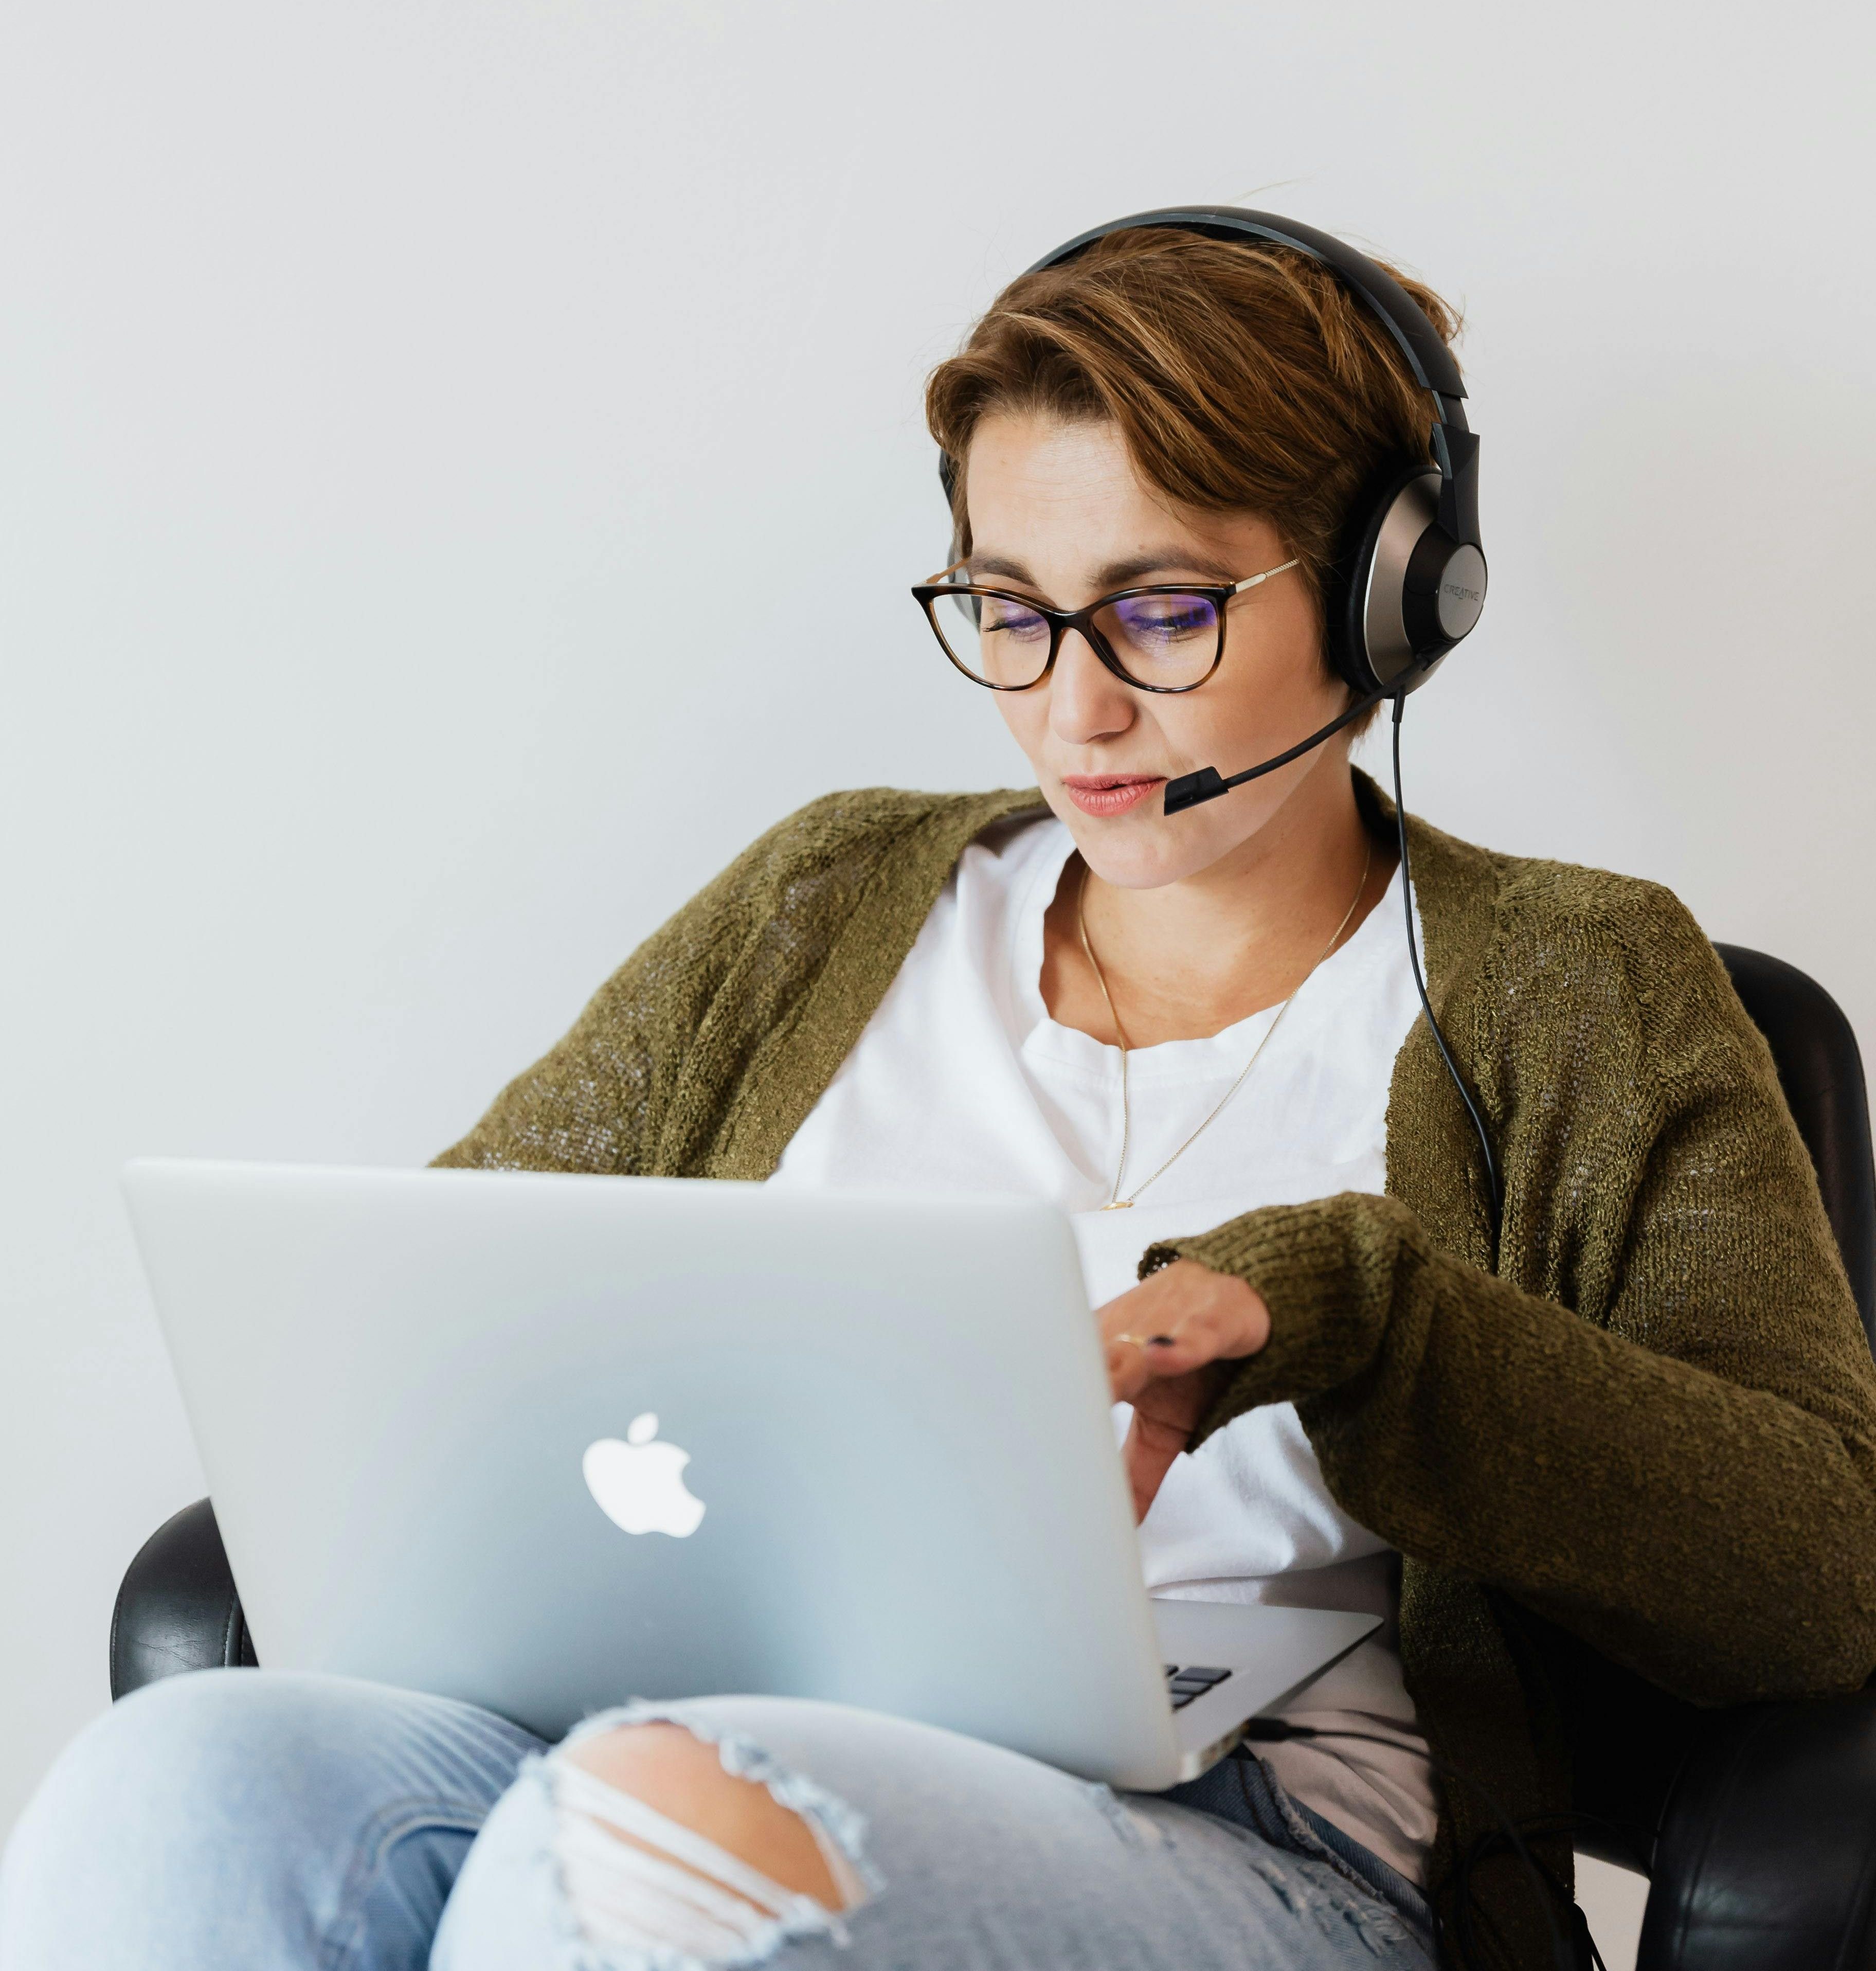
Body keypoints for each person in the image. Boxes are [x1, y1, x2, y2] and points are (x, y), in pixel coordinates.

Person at [6, 221, 1875, 1971]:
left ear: (1389, 599)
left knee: (648, 1839)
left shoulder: (1580, 982)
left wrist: (1361, 1321)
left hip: (1256, 1832)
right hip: (676, 1729)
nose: (1073, 710)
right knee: (179, 1784)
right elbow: (459, 1308)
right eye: (1008, 608)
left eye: (1161, 613)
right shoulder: (827, 893)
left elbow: (1816, 1571)